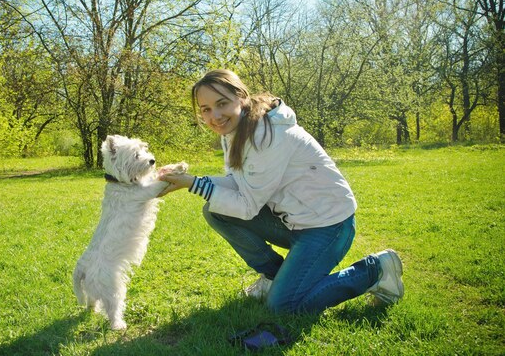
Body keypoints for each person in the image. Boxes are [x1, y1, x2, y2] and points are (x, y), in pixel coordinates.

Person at [158, 69, 404, 314]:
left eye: (222, 103)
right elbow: (238, 183)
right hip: (294, 222)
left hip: (328, 226)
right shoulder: (235, 130)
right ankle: (276, 277)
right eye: (206, 109)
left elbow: (246, 206)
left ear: (241, 97)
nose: (215, 116)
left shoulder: (268, 135)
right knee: (216, 211)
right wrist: (190, 180)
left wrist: (193, 184)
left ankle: (376, 270)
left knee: (283, 306)